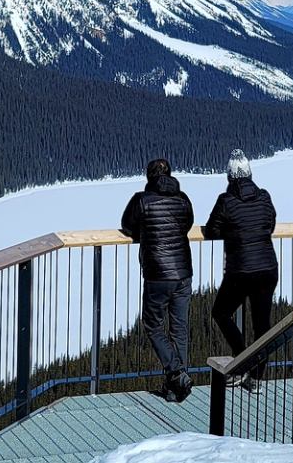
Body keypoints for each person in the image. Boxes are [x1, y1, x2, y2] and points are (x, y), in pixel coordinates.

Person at [121, 157, 196, 402]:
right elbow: (188, 224)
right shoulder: (182, 199)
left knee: (153, 325)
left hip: (157, 273)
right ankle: (177, 387)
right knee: (179, 328)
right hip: (183, 271)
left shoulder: (141, 200)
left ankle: (176, 373)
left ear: (148, 177)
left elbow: (127, 225)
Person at [203, 149, 279, 390]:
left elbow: (213, 230)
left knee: (221, 312)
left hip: (241, 270)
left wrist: (233, 232)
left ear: (229, 177)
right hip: (268, 267)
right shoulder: (265, 196)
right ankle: (256, 377)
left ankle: (242, 359)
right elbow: (270, 225)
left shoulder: (226, 201)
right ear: (250, 174)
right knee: (262, 325)